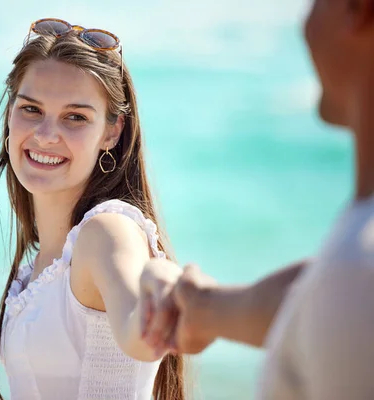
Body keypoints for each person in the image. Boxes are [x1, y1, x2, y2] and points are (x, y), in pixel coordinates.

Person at [138, 0, 374, 398]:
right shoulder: (347, 276)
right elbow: (307, 301)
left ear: (359, 10)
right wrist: (204, 307)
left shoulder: (357, 273)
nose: (304, 20)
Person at [0, 18, 185, 400]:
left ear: (112, 132)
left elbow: (138, 330)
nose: (45, 134)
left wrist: (160, 314)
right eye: (31, 109)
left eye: (75, 117)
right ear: (10, 111)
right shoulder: (45, 263)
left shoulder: (107, 231)